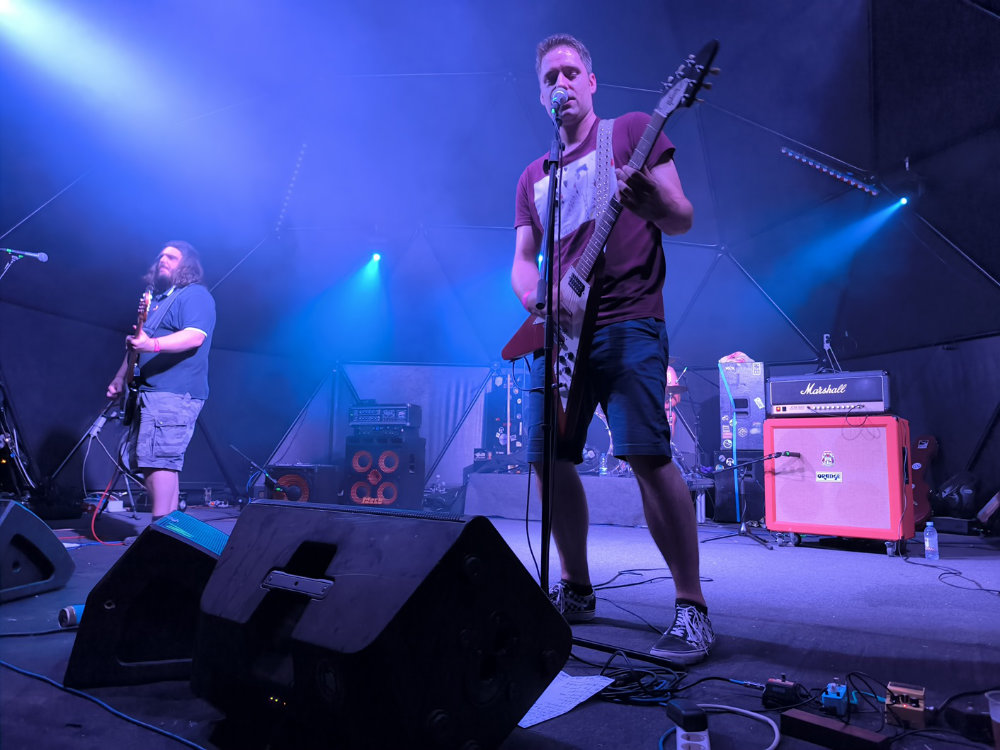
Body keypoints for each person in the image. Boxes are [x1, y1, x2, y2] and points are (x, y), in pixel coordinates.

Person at [511, 34, 713, 663]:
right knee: (548, 460)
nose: (561, 83)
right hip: (558, 331)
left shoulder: (629, 133)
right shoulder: (533, 176)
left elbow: (681, 216)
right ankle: (575, 587)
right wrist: (533, 298)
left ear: (592, 82)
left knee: (648, 455)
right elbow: (522, 259)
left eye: (571, 72)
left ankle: (692, 607)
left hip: (627, 318)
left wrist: (652, 199)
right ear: (540, 93)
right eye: (550, 77)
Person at [106, 241, 215, 525]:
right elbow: (137, 346)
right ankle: (171, 528)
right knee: (150, 460)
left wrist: (152, 344)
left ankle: (161, 530)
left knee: (159, 461)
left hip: (174, 392)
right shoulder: (157, 302)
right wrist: (119, 377)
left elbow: (195, 336)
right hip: (148, 393)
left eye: (172, 257)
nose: (163, 259)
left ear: (187, 265)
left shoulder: (194, 295)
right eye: (161, 256)